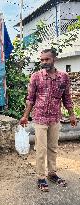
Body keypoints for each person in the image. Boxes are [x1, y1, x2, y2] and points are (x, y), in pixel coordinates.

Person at [19, 48, 77, 192]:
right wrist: (25, 116)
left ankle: (52, 173)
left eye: (47, 59)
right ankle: (40, 177)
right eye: (42, 60)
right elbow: (30, 99)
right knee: (41, 149)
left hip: (55, 118)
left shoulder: (63, 77)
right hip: (39, 118)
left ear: (54, 60)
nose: (44, 62)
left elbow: (67, 98)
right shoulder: (36, 77)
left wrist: (72, 114)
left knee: (53, 148)